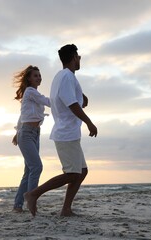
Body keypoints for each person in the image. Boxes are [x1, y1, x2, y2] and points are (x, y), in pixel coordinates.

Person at [24, 44, 97, 217]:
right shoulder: (66, 77)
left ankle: (66, 209)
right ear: (73, 57)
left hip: (69, 132)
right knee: (72, 174)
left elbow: (67, 97)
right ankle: (33, 194)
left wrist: (82, 96)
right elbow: (71, 104)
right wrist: (89, 122)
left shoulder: (64, 76)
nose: (79, 59)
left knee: (82, 171)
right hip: (66, 133)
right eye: (78, 56)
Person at [12, 65, 50, 213]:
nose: (39, 77)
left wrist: (17, 131)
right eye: (35, 75)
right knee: (37, 167)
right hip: (27, 134)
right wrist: (66, 102)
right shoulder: (30, 92)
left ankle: (17, 205)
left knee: (29, 171)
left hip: (34, 134)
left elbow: (23, 115)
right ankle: (31, 201)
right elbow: (48, 101)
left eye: (40, 75)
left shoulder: (33, 95)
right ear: (28, 78)